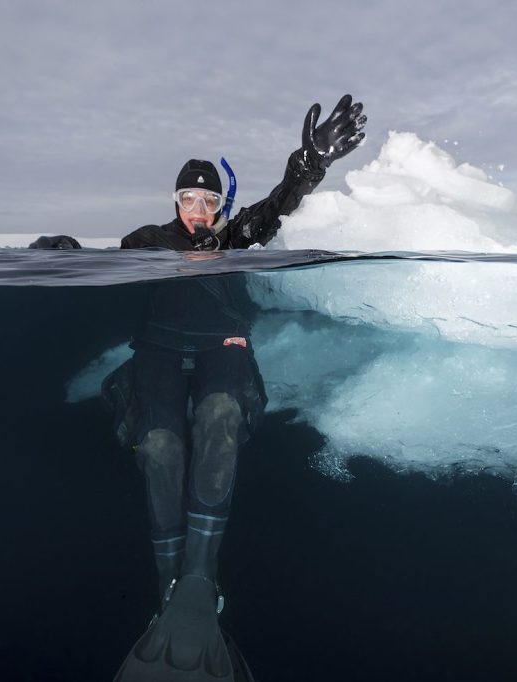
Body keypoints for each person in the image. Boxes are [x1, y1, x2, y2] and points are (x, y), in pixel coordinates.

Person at [111, 94, 365, 682]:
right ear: (174, 202)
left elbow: (277, 206)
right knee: (160, 448)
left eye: (208, 200)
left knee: (222, 415)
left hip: (221, 344)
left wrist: (308, 165)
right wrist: (62, 253)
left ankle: (199, 576)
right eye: (188, 200)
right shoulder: (150, 238)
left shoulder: (233, 236)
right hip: (157, 347)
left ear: (219, 202)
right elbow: (106, 265)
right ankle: (168, 585)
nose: (199, 211)